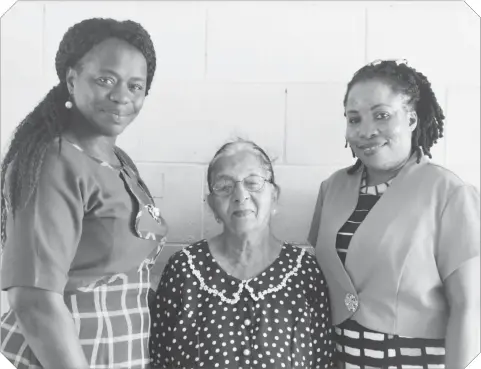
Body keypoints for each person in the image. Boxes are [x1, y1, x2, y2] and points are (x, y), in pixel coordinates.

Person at [0, 18, 168, 369]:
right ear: (72, 79)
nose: (122, 96)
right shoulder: (54, 160)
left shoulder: (120, 162)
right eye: (106, 80)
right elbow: (33, 299)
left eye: (136, 86)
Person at [308, 59, 480, 369]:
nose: (366, 131)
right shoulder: (331, 188)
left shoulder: (449, 192)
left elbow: (468, 307)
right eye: (354, 119)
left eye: (382, 115)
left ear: (412, 119)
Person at [150, 139, 336, 369]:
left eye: (253, 183)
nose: (240, 195)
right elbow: (159, 359)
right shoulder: (184, 269)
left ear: (274, 196)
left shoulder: (305, 271)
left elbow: (323, 360)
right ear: (212, 205)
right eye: (225, 186)